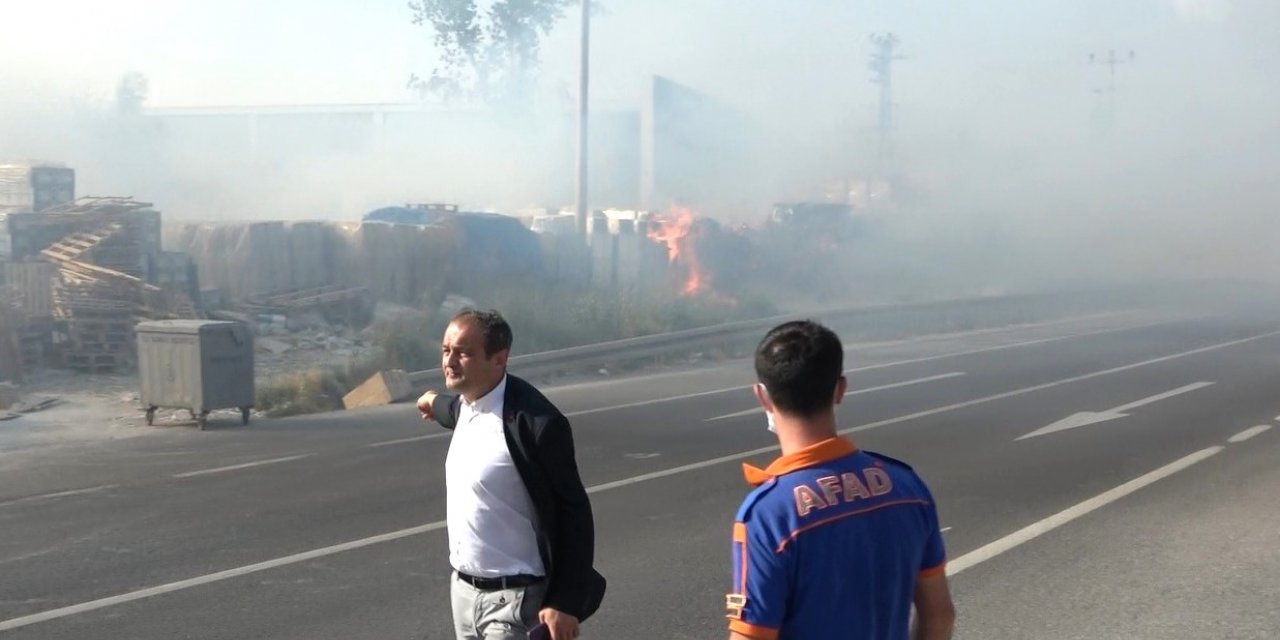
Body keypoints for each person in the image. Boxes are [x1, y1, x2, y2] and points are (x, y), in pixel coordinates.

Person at [726, 320, 956, 640]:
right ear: (840, 389)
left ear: (762, 397)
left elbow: (752, 635)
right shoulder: (906, 488)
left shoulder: (769, 514)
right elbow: (940, 615)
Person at [417, 309, 605, 640]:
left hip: (516, 603)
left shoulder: (537, 424)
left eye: (463, 352)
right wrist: (432, 400)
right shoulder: (466, 404)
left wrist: (565, 601)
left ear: (499, 359)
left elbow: (573, 512)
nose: (450, 361)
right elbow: (451, 410)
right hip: (462, 594)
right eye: (446, 350)